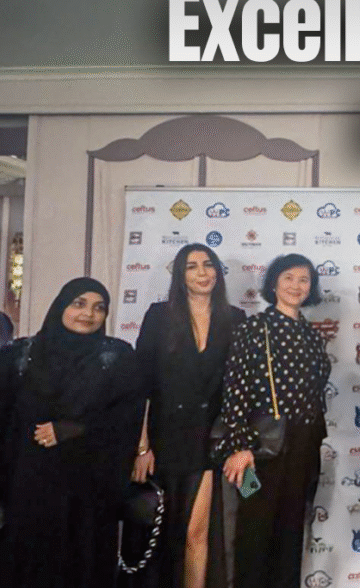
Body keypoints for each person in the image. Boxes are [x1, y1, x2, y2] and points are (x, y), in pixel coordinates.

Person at [0, 277, 144, 588]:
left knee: (82, 563)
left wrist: (72, 429)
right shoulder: (20, 355)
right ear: (61, 306)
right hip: (29, 483)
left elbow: (126, 417)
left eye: (99, 308)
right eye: (79, 304)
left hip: (89, 486)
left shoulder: (118, 357)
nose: (88, 314)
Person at [212, 253, 331, 588]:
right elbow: (235, 389)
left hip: (303, 448)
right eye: (288, 277)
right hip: (259, 450)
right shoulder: (255, 328)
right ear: (274, 283)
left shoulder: (311, 335)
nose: (296, 285)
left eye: (304, 279)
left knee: (291, 533)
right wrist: (239, 446)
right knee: (253, 531)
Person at [131, 243, 245, 588]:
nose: (202, 273)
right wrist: (141, 447)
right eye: (192, 266)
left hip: (209, 440)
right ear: (180, 276)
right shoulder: (158, 316)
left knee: (197, 532)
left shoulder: (236, 318)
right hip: (163, 438)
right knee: (163, 533)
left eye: (208, 265)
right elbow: (141, 385)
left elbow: (242, 388)